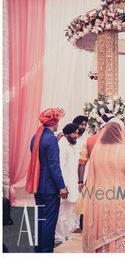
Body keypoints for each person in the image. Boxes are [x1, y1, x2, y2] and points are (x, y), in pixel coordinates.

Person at [82, 122, 125, 252]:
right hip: (121, 204)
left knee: (102, 236)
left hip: (98, 202)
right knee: (120, 237)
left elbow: (91, 177)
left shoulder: (97, 151)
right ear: (121, 133)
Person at [26, 108, 68, 252]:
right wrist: (62, 186)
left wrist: (54, 141)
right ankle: (45, 251)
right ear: (54, 122)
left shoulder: (36, 137)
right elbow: (53, 166)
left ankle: (38, 250)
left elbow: (41, 159)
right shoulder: (50, 139)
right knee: (49, 222)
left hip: (38, 185)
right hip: (50, 188)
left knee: (40, 220)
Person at [55, 123, 81, 243]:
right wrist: (63, 186)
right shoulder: (62, 144)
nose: (76, 135)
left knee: (69, 212)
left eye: (77, 133)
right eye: (74, 133)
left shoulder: (72, 144)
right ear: (67, 133)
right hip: (65, 185)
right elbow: (60, 166)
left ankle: (66, 234)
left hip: (73, 183)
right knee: (62, 213)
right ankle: (59, 236)